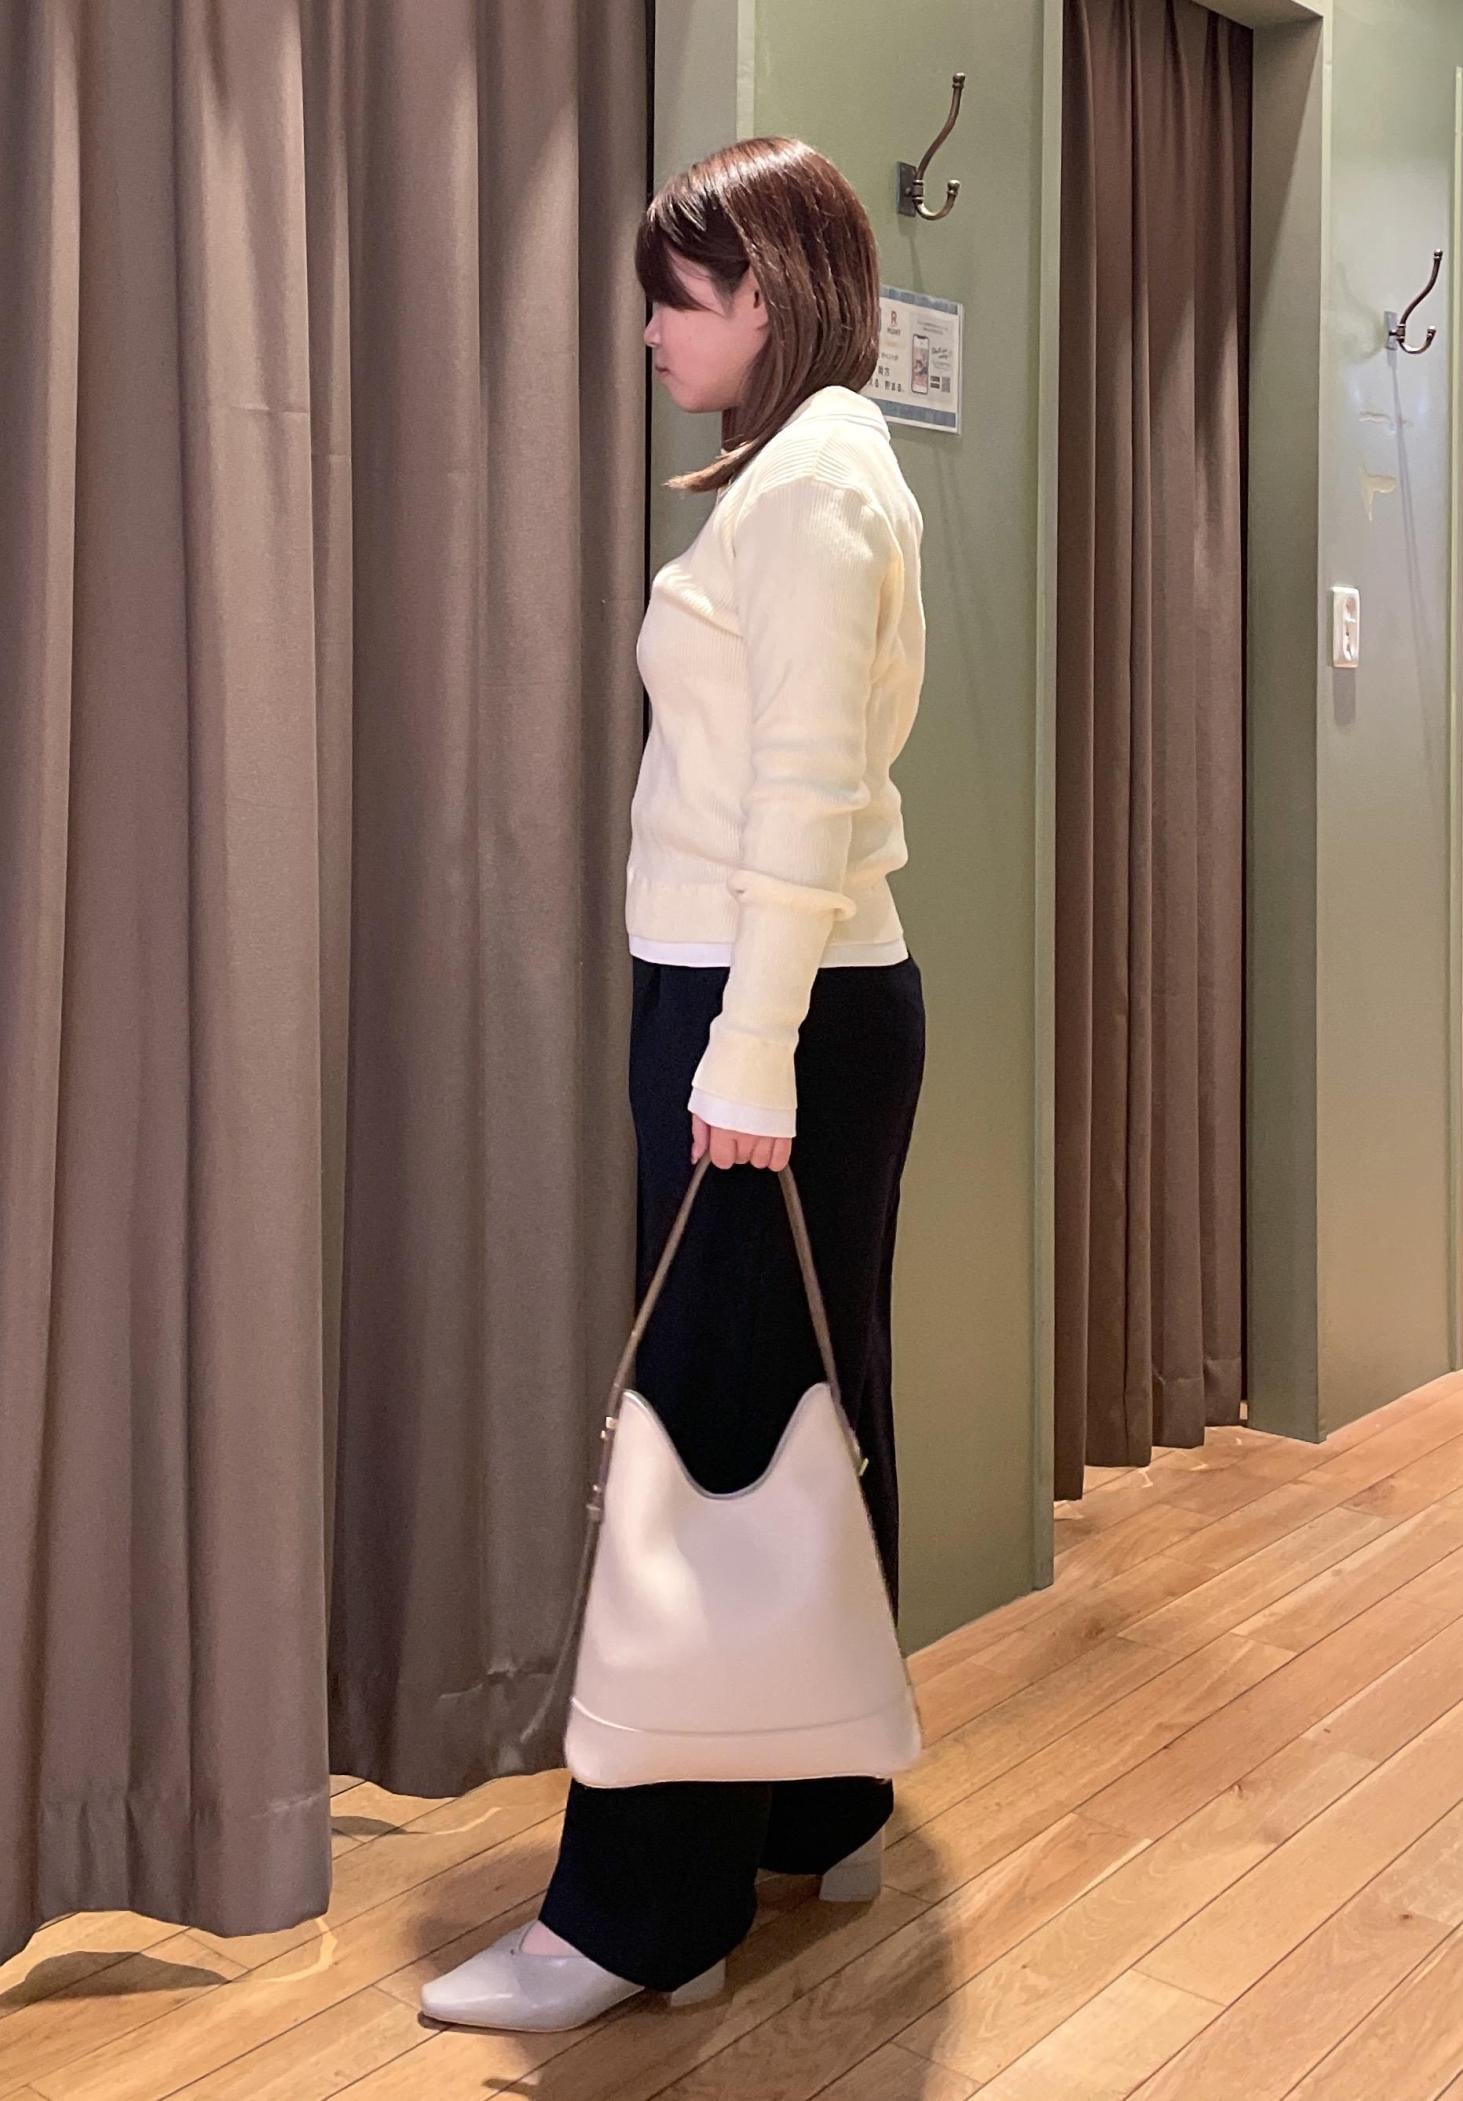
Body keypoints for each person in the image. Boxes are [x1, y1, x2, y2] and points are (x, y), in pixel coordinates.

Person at [421, 133, 927, 2034]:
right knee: (804, 1399)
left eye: (675, 295)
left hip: (762, 1007)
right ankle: (817, 1800)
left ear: (766, 297)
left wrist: (743, 1049)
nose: (649, 329)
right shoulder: (825, 468)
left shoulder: (810, 492)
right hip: (796, 1002)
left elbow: (801, 793)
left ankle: (642, 1912)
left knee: (706, 1430)